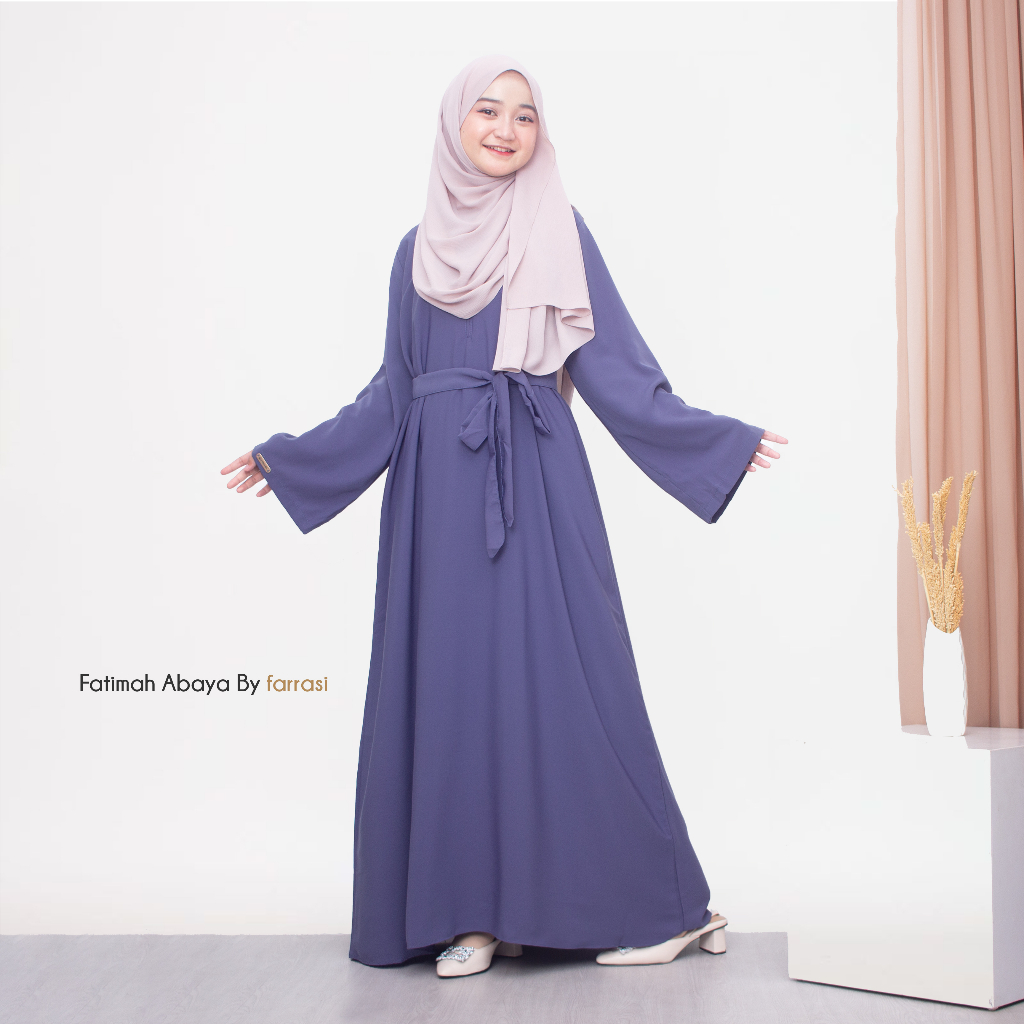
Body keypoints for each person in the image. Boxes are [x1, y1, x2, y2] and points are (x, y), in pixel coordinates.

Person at [222, 55, 786, 978]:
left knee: (573, 691)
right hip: (435, 499)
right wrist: (298, 458)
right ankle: (476, 913)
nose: (506, 129)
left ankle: (670, 906)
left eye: (525, 116)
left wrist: (708, 440)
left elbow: (613, 366)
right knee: (453, 697)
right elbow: (393, 389)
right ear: (456, 124)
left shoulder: (559, 230)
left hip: (535, 476)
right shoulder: (415, 251)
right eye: (488, 111)